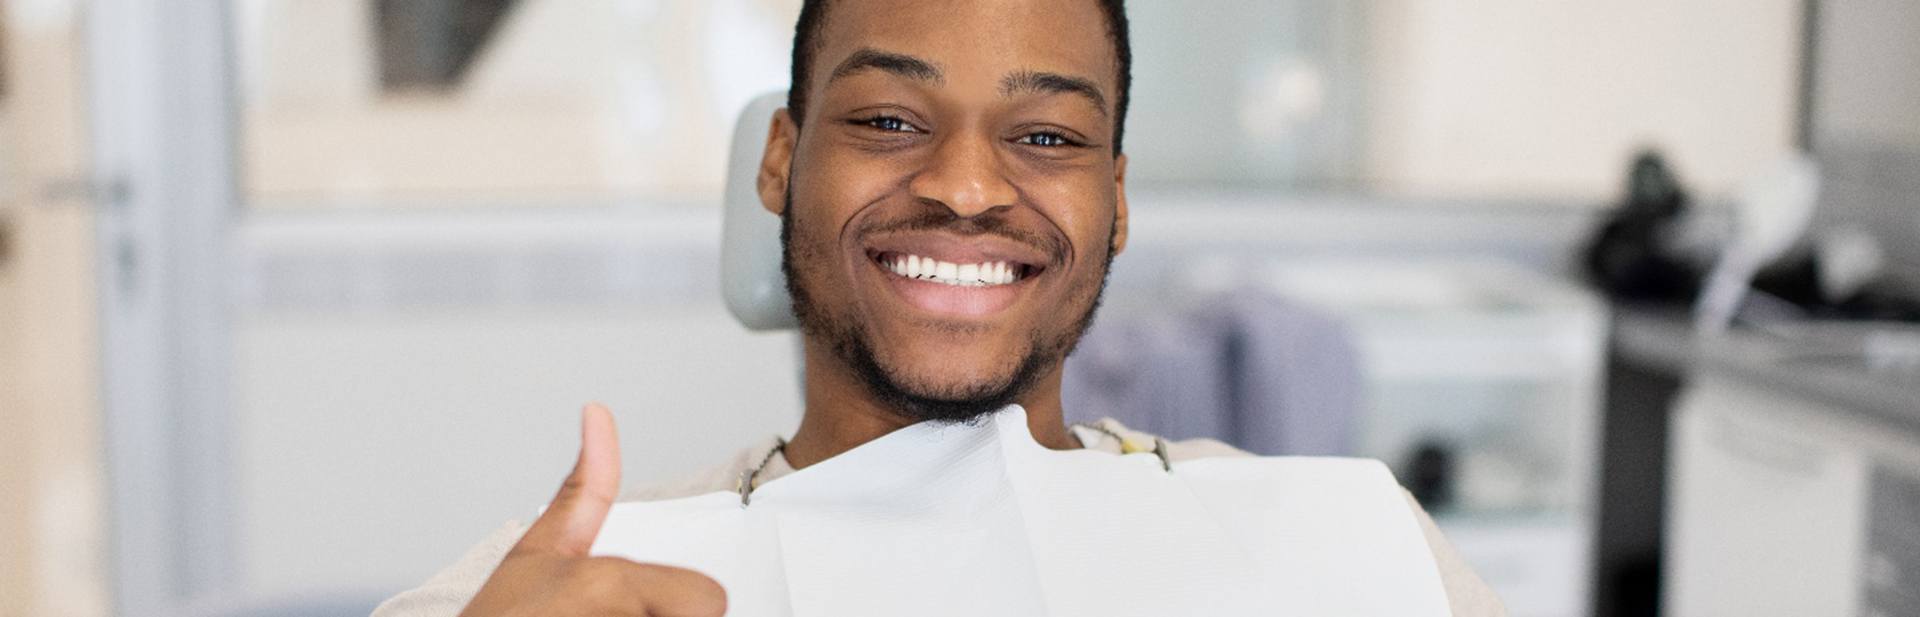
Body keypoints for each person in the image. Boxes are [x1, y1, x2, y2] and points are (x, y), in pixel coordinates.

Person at [375, 1, 1506, 615]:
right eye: (887, 121)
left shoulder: (1350, 550)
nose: (967, 188)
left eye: (1049, 138)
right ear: (780, 160)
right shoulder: (554, 588)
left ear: (1115, 200)